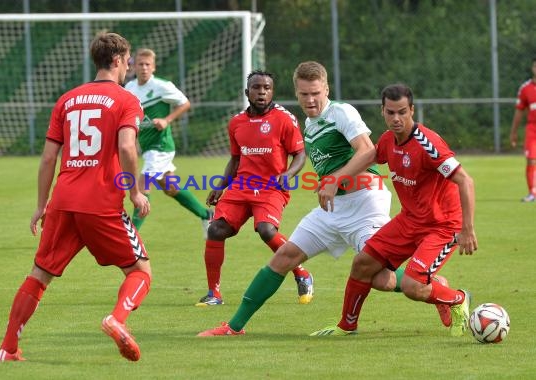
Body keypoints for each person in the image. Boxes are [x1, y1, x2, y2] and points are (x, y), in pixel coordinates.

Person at [197, 62, 450, 336]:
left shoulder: (340, 112)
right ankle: (234, 327)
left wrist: (334, 179)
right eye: (304, 94)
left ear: (326, 89)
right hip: (332, 208)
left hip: (365, 204)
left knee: (380, 279)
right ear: (297, 93)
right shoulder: (308, 124)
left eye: (316, 93)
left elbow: (366, 150)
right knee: (284, 257)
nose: (310, 100)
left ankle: (438, 289)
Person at [0, 32, 151, 362]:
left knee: (39, 274)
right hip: (101, 204)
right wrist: (135, 191)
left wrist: (41, 206)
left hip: (63, 202)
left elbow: (49, 157)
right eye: (127, 62)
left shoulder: (67, 99)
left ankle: (8, 348)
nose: (128, 68)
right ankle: (117, 320)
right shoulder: (125, 100)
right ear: (119, 60)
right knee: (140, 271)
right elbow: (126, 147)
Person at [309, 83, 477, 337]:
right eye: (390, 112)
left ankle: (456, 298)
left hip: (442, 226)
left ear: (412, 110)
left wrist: (467, 229)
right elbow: (368, 157)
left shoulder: (427, 144)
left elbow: (465, 180)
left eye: (402, 112)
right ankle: (346, 326)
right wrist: (334, 180)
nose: (396, 118)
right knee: (364, 265)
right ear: (382, 112)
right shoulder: (388, 140)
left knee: (412, 286)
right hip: (409, 221)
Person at [195, 69, 314, 307]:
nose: (262, 92)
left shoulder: (284, 119)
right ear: (247, 92)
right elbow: (235, 159)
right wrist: (220, 186)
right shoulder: (237, 122)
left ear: (272, 91)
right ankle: (214, 294)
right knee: (215, 230)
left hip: (271, 187)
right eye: (257, 87)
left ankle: (301, 272)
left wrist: (288, 174)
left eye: (267, 88)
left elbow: (300, 154)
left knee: (266, 230)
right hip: (241, 187)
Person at [125, 48, 213, 235]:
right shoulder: (130, 88)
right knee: (170, 187)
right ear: (134, 66)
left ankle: (131, 236)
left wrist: (167, 120)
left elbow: (185, 103)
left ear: (154, 67)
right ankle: (206, 214)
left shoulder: (162, 86)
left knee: (142, 186)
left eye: (148, 65)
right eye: (140, 64)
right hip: (147, 146)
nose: (144, 68)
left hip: (161, 146)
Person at [510, 57, 536, 202]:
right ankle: (532, 193)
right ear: (533, 68)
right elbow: (519, 111)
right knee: (531, 160)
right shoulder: (525, 88)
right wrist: (513, 132)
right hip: (533, 128)